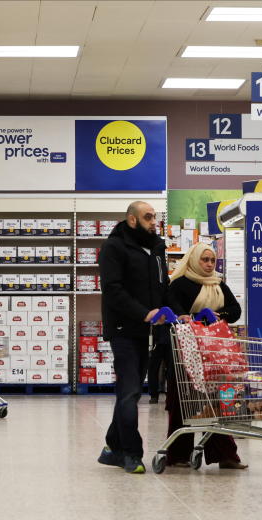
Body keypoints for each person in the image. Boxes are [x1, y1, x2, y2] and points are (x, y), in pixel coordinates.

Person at [97, 201, 169, 474]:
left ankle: (112, 448)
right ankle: (130, 453)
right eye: (148, 217)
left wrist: (173, 311)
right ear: (132, 220)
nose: (154, 222)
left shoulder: (157, 247)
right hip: (123, 329)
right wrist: (144, 313)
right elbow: (112, 290)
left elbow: (164, 285)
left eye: (155, 217)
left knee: (131, 390)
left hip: (147, 329)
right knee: (130, 391)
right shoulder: (114, 247)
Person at [165, 242, 247, 470]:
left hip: (216, 353)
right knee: (186, 404)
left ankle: (226, 456)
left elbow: (235, 311)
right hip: (187, 351)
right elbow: (175, 311)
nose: (210, 264)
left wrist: (216, 315)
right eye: (205, 260)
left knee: (219, 403)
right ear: (194, 260)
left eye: (212, 260)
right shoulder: (179, 284)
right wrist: (194, 318)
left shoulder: (218, 284)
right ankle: (178, 455)